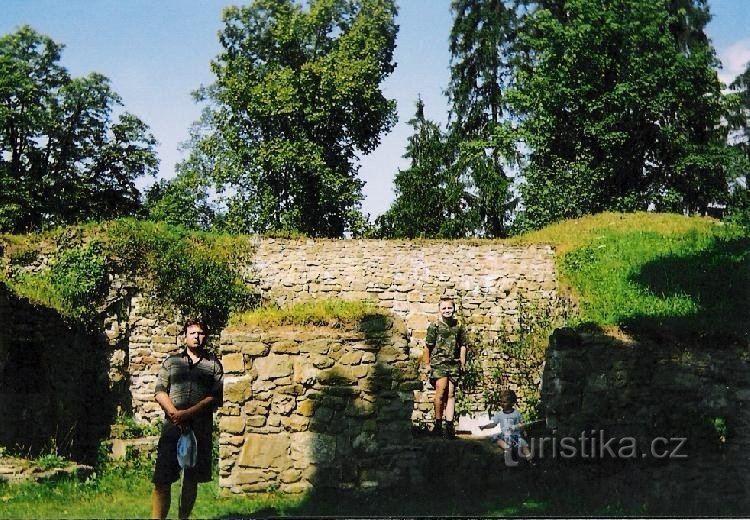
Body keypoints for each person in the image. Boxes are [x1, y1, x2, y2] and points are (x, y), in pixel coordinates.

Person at [151, 318, 223, 520]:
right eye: (193, 333)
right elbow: (159, 391)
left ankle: (183, 518)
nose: (197, 337)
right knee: (162, 479)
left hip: (199, 428)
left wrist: (188, 413)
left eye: (201, 333)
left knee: (191, 479)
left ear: (206, 337)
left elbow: (215, 396)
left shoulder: (214, 365)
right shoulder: (171, 362)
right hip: (172, 428)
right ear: (185, 337)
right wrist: (174, 413)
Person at [424, 296, 467, 438]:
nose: (447, 310)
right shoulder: (434, 326)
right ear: (439, 309)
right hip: (439, 363)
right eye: (444, 308)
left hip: (453, 363)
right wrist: (427, 364)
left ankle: (449, 426)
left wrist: (462, 360)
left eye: (450, 308)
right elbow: (428, 346)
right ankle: (438, 423)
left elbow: (463, 345)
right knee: (440, 391)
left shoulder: (458, 326)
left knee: (451, 394)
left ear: (454, 309)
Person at [480, 389, 533, 463]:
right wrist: (484, 427)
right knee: (496, 438)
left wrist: (523, 430)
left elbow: (522, 424)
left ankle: (530, 460)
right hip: (505, 436)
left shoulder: (516, 413)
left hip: (515, 436)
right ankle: (508, 448)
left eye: (504, 402)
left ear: (512, 403)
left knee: (524, 446)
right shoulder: (499, 414)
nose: (502, 404)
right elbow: (494, 424)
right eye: (501, 401)